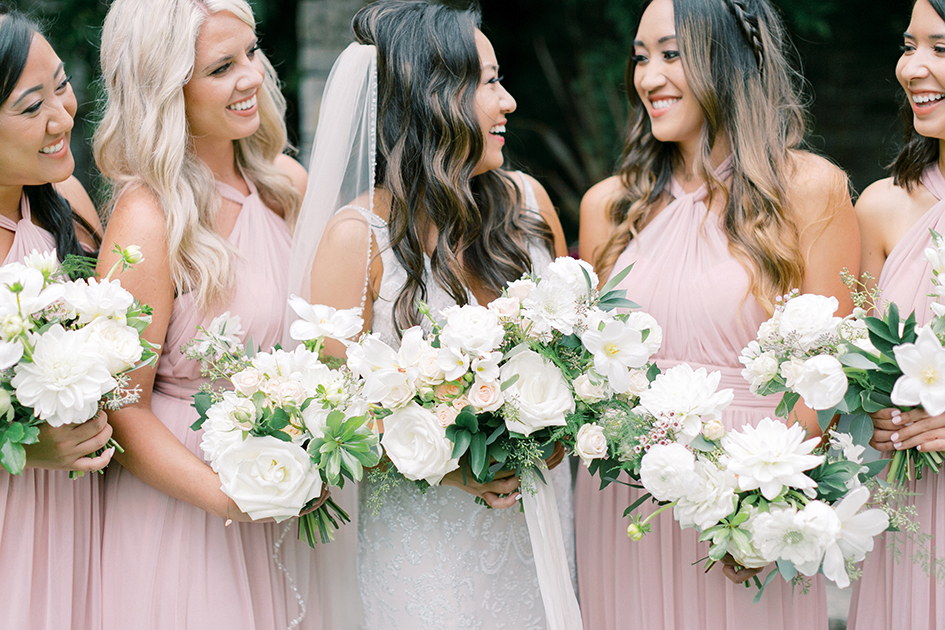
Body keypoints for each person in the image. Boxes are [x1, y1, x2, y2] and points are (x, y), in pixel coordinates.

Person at [285, 1, 574, 627]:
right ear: (434, 98)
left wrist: (551, 434)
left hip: (537, 526)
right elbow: (328, 423)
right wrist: (449, 469)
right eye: (491, 82)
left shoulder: (528, 206)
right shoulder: (356, 240)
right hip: (424, 547)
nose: (509, 103)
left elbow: (574, 365)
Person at [574, 0, 859, 628]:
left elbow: (828, 378)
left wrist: (759, 512)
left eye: (672, 54)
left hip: (751, 501)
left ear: (730, 59)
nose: (648, 78)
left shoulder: (811, 190)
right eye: (640, 58)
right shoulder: (608, 208)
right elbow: (591, 378)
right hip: (628, 504)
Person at [93, 1, 315, 628]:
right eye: (222, 67)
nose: (251, 77)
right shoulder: (148, 217)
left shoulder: (286, 186)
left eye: (250, 53)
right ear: (166, 89)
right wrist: (232, 497)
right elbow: (120, 406)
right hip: (186, 512)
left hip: (287, 499)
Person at [0, 6, 106, 629]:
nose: (62, 117)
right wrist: (27, 448)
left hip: (75, 507)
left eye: (62, 87)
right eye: (31, 105)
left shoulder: (66, 204)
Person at [847, 1, 945, 627]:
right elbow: (852, 360)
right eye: (910, 45)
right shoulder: (882, 206)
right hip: (909, 508)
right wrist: (873, 411)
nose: (913, 66)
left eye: (940, 47)